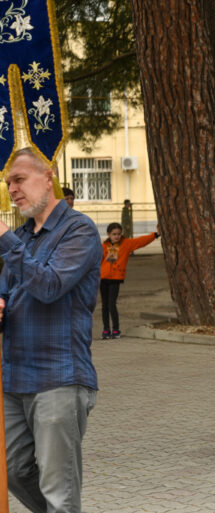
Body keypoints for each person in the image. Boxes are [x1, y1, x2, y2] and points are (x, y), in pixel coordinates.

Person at [0, 148, 101, 513]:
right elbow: (6, 291)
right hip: (14, 380)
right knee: (12, 470)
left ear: (49, 176)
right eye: (8, 182)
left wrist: (4, 238)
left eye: (20, 179)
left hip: (59, 378)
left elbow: (49, 286)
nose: (12, 189)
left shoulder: (79, 230)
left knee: (59, 489)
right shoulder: (24, 237)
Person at [100, 222, 160, 339]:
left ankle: (116, 329)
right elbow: (96, 260)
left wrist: (156, 234)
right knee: (104, 306)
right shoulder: (103, 246)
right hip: (103, 278)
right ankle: (106, 329)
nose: (116, 236)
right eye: (114, 234)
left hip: (116, 279)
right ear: (108, 234)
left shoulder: (126, 244)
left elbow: (141, 241)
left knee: (112, 305)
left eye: (118, 234)